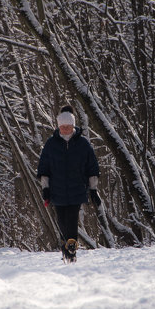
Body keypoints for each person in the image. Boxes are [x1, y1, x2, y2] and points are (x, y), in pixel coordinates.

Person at [37, 105, 101, 261]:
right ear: (59, 126)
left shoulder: (83, 144)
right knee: (62, 221)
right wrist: (45, 188)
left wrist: (93, 190)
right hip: (57, 190)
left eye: (68, 126)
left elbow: (92, 168)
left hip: (77, 189)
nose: (65, 129)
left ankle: (71, 249)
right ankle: (66, 250)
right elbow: (44, 169)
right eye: (63, 126)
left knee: (72, 219)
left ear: (73, 126)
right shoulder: (51, 144)